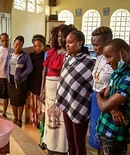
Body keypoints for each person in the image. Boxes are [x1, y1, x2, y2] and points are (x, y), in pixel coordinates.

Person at [56, 30, 95, 155]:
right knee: (69, 138)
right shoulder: (67, 58)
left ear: (80, 43)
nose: (67, 45)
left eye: (71, 42)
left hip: (80, 105)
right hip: (67, 102)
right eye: (67, 42)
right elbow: (65, 80)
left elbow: (91, 84)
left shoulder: (88, 61)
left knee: (79, 141)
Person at [40, 24, 77, 155]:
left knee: (60, 119)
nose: (61, 39)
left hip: (62, 89)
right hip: (49, 89)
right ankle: (50, 142)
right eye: (59, 36)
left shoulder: (70, 54)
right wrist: (42, 90)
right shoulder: (51, 52)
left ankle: (61, 146)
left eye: (63, 37)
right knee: (50, 117)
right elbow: (44, 72)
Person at [96, 38, 130, 155]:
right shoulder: (116, 72)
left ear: (122, 53)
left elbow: (104, 105)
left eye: (109, 57)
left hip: (116, 134)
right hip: (104, 128)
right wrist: (113, 108)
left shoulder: (129, 78)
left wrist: (99, 97)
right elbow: (104, 95)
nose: (107, 62)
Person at [88, 26, 113, 155]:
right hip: (95, 98)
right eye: (93, 44)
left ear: (108, 41)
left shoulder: (115, 61)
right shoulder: (98, 58)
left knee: (106, 138)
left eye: (96, 45)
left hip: (108, 100)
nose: (94, 48)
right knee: (97, 135)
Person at [5, 35, 33, 127]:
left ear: (22, 46)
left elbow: (30, 68)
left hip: (21, 81)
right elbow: (6, 67)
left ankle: (20, 119)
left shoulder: (25, 56)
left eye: (20, 45)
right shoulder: (9, 55)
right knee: (13, 100)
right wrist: (7, 76)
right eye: (16, 45)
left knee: (20, 101)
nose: (18, 47)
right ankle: (15, 117)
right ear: (13, 44)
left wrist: (21, 75)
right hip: (11, 81)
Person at [25, 34, 46, 127]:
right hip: (31, 81)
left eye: (40, 46)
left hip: (40, 81)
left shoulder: (45, 56)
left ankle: (39, 121)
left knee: (39, 102)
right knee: (31, 101)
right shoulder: (30, 56)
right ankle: (31, 119)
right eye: (35, 46)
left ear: (43, 46)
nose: (37, 48)